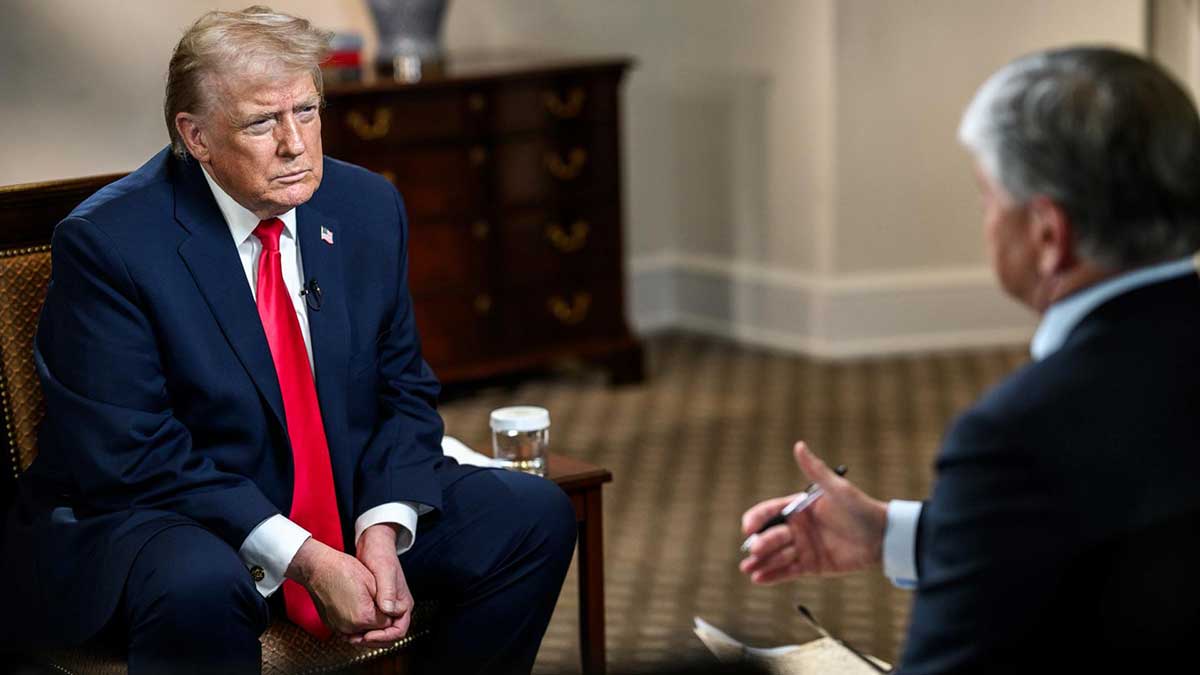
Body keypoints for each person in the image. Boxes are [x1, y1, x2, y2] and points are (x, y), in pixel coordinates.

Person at [0, 6, 576, 674]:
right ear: (196, 136)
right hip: (172, 511)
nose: (295, 144)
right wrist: (304, 557)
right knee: (198, 584)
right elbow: (132, 453)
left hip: (336, 490)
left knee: (531, 515)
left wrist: (382, 528)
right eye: (261, 122)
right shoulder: (111, 244)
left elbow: (403, 390)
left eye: (306, 111)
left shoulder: (365, 207)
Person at [739, 47, 1200, 673]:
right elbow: (1136, 551)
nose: (984, 218)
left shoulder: (1019, 437)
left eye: (987, 197)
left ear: (1047, 234)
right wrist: (892, 534)